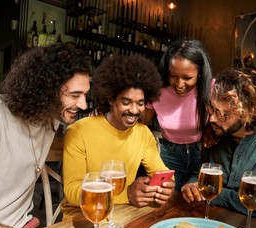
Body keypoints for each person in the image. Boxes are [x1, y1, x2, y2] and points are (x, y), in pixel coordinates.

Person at [0, 43, 92, 228]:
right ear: (44, 90)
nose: (83, 105)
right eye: (74, 95)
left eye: (85, 95)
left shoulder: (50, 119)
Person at [62, 55, 175, 219]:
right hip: (83, 215)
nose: (135, 110)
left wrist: (166, 186)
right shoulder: (78, 131)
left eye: (140, 103)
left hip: (122, 214)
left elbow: (163, 172)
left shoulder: (143, 133)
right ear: (111, 99)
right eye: (127, 102)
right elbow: (72, 191)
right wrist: (127, 195)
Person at [181, 68, 256, 221]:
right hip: (209, 219)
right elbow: (198, 174)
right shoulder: (213, 135)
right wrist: (192, 185)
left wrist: (214, 193)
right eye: (211, 110)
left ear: (247, 113)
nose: (212, 119)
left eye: (223, 114)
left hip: (253, 227)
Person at [142, 39, 213, 191]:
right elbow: (143, 125)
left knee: (195, 203)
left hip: (202, 154)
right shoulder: (156, 90)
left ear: (200, 73)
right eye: (173, 76)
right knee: (164, 201)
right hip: (168, 155)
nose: (179, 84)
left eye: (187, 78)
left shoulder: (211, 88)